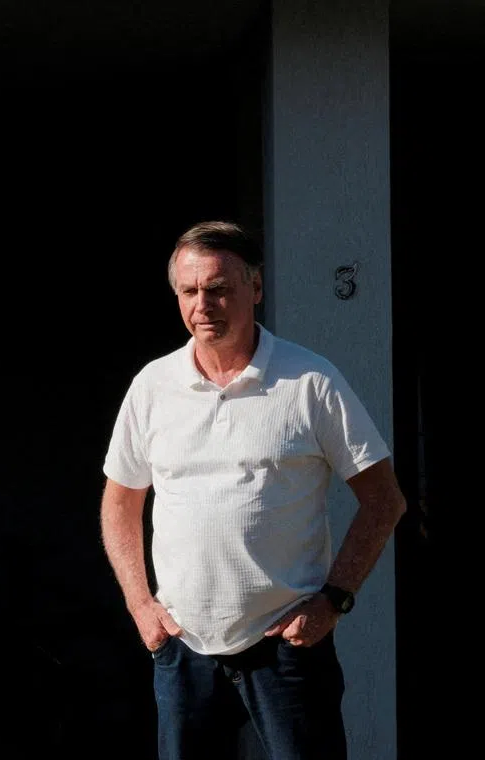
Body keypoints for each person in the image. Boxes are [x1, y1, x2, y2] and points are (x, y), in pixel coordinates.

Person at [99, 221, 407, 760]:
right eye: (190, 291)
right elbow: (120, 501)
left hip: (287, 649)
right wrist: (140, 607)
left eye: (220, 289)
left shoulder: (310, 382)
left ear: (256, 289)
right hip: (183, 648)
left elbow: (385, 500)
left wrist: (333, 600)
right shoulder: (153, 386)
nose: (204, 305)